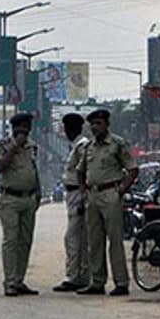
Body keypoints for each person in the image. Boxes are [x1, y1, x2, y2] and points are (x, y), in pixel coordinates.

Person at [76, 108, 136, 296]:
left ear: (106, 124)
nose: (95, 127)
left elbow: (133, 169)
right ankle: (97, 282)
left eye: (98, 123)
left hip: (111, 193)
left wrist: (120, 190)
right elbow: (80, 171)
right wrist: (83, 192)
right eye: (92, 124)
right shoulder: (88, 147)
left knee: (115, 240)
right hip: (92, 194)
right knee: (94, 241)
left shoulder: (117, 144)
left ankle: (121, 282)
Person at [0, 112, 42, 296]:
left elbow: (33, 169)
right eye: (19, 128)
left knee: (25, 241)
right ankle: (10, 281)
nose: (23, 131)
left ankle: (20, 280)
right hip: (10, 199)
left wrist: (38, 192)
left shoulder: (32, 147)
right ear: (13, 129)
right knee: (11, 240)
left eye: (26, 128)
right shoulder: (3, 145)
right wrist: (14, 147)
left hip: (28, 198)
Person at [53, 113, 90, 292]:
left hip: (78, 194)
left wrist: (83, 199)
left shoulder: (82, 146)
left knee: (73, 238)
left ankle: (74, 277)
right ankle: (81, 275)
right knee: (79, 238)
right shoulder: (75, 147)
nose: (66, 132)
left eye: (68, 128)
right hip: (72, 194)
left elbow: (85, 174)